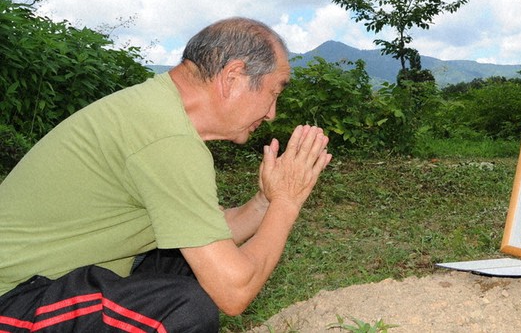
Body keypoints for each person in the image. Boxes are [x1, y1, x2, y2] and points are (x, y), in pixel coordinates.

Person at [0, 17, 332, 332]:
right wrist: (287, 203)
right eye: (274, 93)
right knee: (184, 308)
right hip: (12, 300)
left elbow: (211, 234)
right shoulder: (166, 139)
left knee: (193, 263)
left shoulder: (159, 112)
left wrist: (266, 201)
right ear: (233, 77)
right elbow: (233, 292)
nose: (272, 113)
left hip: (49, 280)